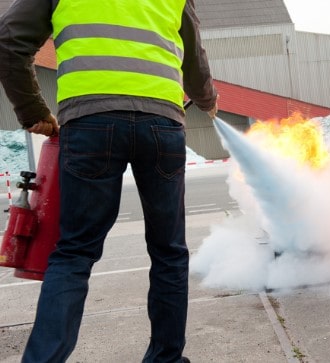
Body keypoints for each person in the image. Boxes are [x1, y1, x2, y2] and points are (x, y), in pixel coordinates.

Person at [0, 0, 218, 361]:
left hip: (89, 123)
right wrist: (207, 98)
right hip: (161, 125)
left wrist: (33, 112)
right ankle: (166, 358)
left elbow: (8, 40)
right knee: (169, 252)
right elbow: (194, 60)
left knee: (74, 253)